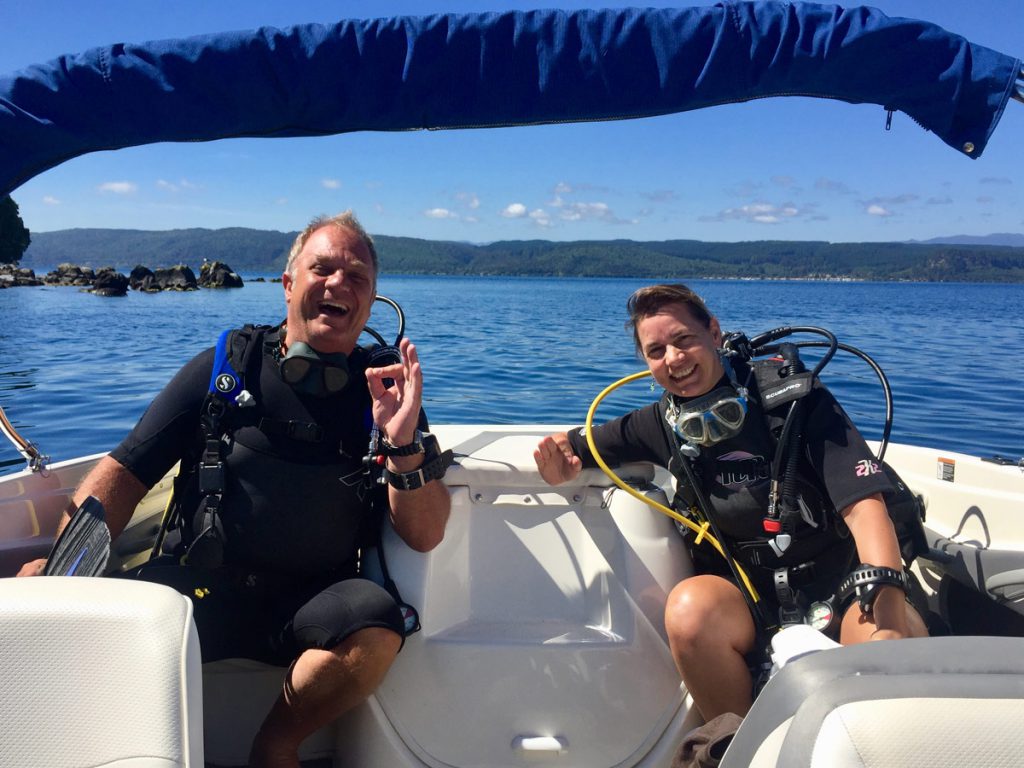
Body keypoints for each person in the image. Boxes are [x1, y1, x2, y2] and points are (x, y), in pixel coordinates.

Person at [18, 211, 451, 768]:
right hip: (195, 592)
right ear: (289, 283)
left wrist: (402, 443)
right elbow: (123, 475)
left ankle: (276, 747)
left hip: (309, 601)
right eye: (322, 268)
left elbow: (426, 533)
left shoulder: (384, 395)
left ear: (370, 304)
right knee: (46, 588)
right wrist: (67, 571)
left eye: (357, 277)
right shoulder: (224, 370)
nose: (339, 283)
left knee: (378, 621)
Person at [534, 283, 926, 724]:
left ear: (714, 332)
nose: (674, 359)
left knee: (889, 642)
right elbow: (574, 448)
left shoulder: (794, 400)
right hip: (749, 601)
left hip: (841, 587)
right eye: (656, 350)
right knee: (688, 611)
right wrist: (559, 464)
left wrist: (887, 604)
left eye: (684, 339)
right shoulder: (657, 425)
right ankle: (735, 744)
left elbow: (864, 504)